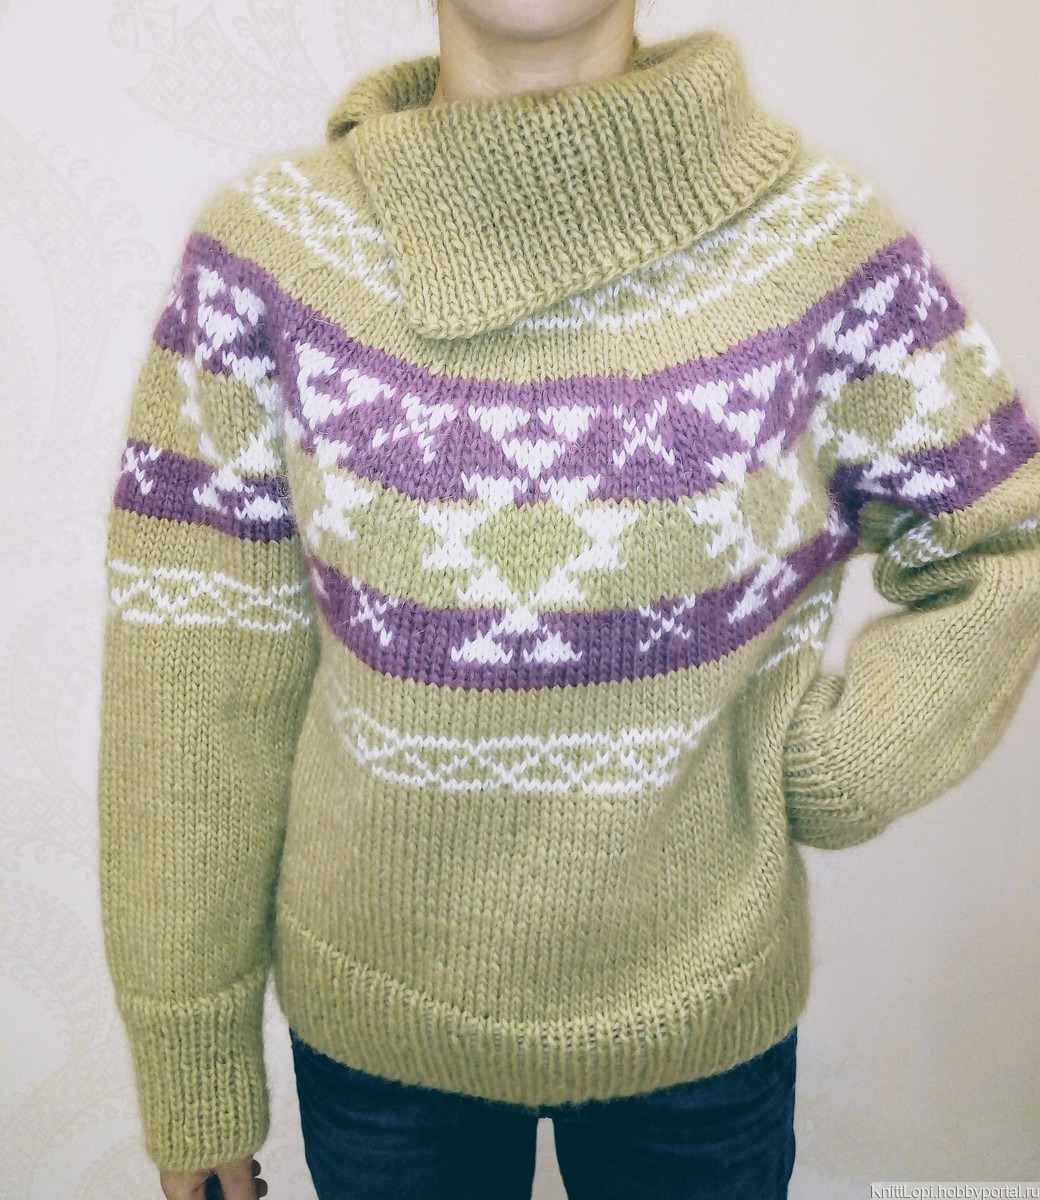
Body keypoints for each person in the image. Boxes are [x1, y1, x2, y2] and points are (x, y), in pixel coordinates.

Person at [95, 0, 1040, 1197]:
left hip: (699, 1037)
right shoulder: (272, 255)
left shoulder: (814, 246)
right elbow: (192, 683)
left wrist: (834, 765)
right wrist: (193, 1066)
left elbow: (1003, 538)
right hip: (379, 1046)